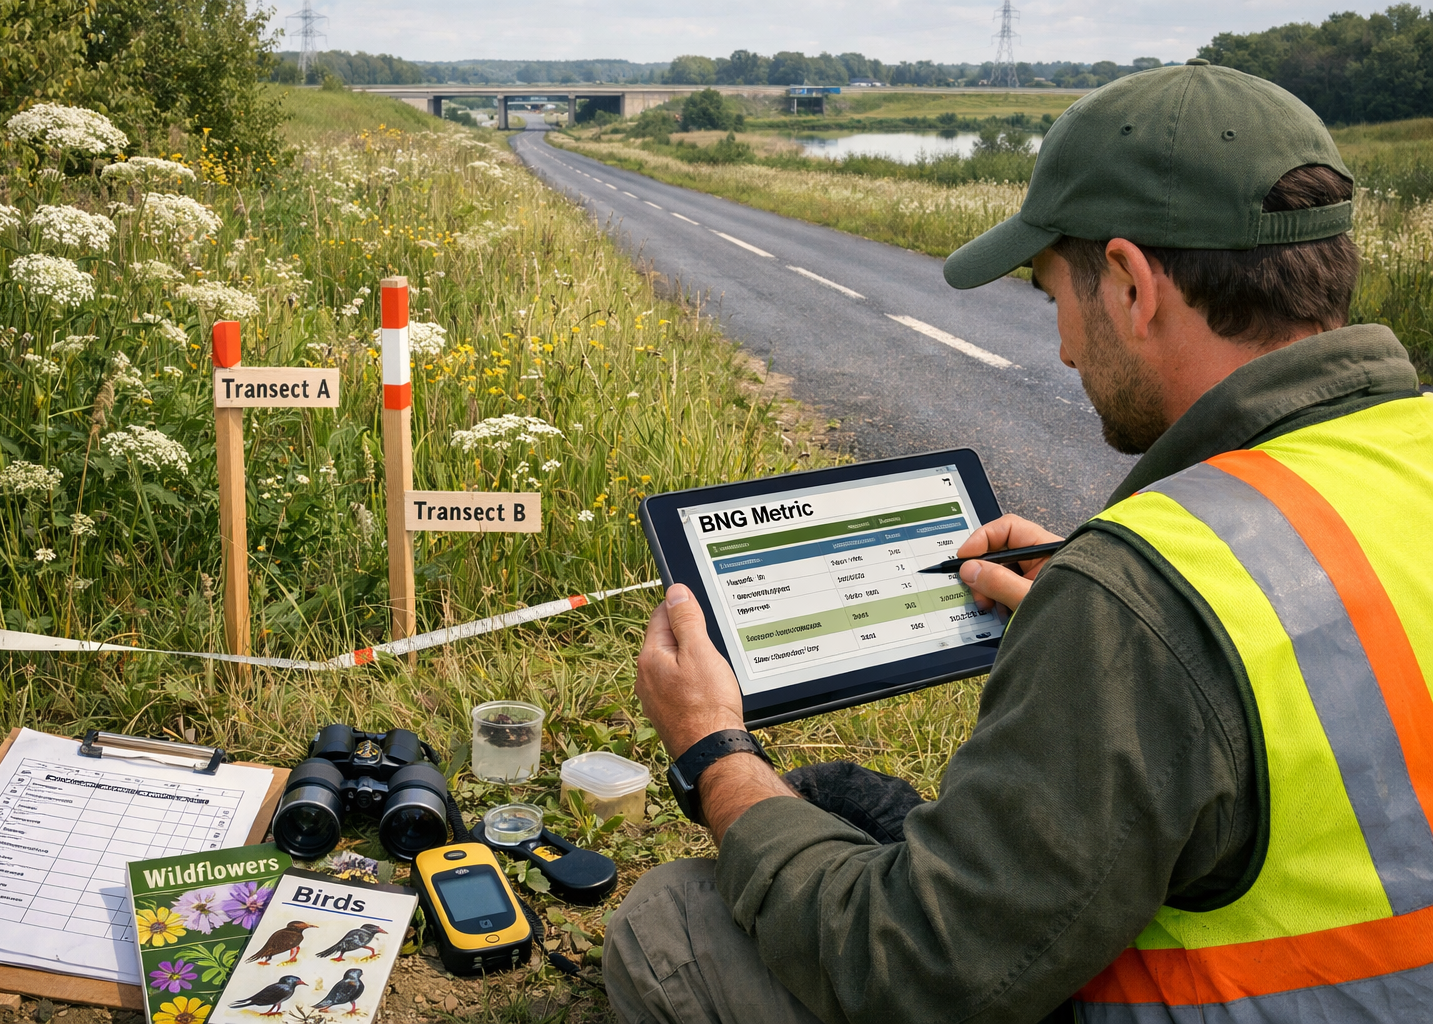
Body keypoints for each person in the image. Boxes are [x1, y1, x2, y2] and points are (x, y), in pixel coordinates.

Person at [603, 60, 1433, 1024]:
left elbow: (915, 975)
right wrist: (1135, 640)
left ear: (1129, 283)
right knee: (841, 802)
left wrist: (713, 752)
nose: (1067, 350)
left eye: (1053, 299)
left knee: (670, 925)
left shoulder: (1139, 600)